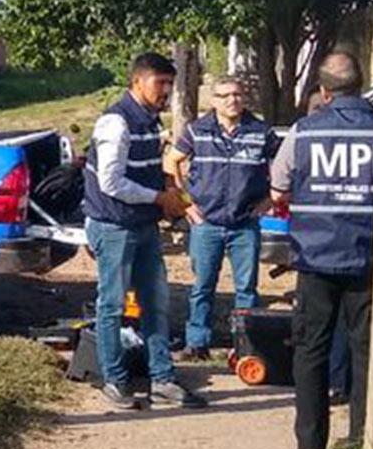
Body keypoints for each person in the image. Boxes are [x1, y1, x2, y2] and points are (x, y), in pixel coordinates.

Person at [270, 51, 373, 449]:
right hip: (369, 257)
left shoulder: (303, 132)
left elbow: (278, 186)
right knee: (367, 351)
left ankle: (309, 448)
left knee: (312, 350)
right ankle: (365, 444)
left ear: (323, 91)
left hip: (316, 258)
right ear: (362, 83)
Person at [83, 52, 207, 410]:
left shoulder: (150, 122)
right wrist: (159, 198)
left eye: (170, 83)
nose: (166, 90)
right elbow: (111, 183)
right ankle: (116, 381)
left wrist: (177, 198)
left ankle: (163, 379)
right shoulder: (115, 123)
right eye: (160, 83)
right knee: (112, 304)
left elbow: (154, 173)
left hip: (143, 225)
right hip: (114, 226)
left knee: (156, 303)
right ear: (137, 82)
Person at [167, 76, 278, 361]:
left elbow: (284, 167)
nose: (233, 100)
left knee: (247, 290)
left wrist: (270, 201)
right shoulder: (197, 131)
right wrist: (186, 205)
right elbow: (171, 161)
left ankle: (246, 346)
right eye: (225, 95)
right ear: (214, 100)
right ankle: (197, 343)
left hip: (245, 224)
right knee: (202, 286)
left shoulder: (261, 132)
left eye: (238, 95)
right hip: (207, 223)